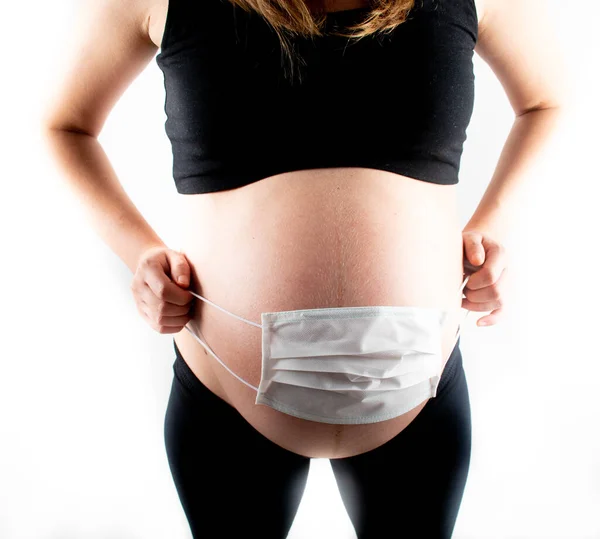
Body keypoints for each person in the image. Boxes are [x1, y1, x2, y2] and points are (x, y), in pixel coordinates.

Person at [40, 0, 565, 536]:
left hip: (420, 387)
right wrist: (139, 253)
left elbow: (547, 101)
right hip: (225, 389)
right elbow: (65, 125)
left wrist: (494, 224)